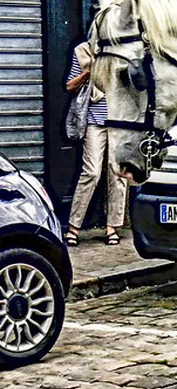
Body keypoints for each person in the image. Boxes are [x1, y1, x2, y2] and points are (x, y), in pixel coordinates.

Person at [65, 37, 128, 246]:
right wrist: (89, 72)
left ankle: (112, 227)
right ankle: (74, 227)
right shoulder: (83, 51)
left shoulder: (123, 49)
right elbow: (70, 86)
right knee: (91, 172)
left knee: (117, 174)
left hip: (119, 121)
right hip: (94, 122)